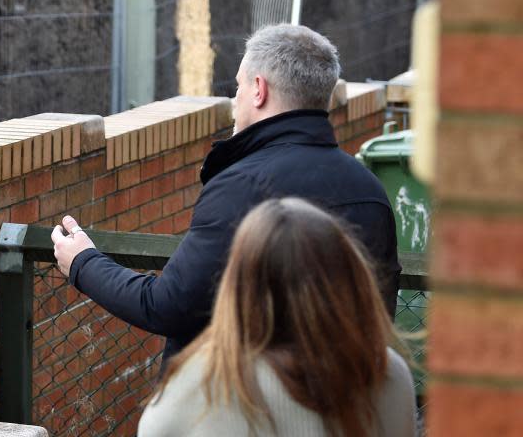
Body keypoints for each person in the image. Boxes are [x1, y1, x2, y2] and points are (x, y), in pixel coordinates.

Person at [51, 24, 399, 364]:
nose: (236, 100)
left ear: (259, 90)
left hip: (244, 413)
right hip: (349, 409)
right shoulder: (369, 190)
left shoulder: (242, 187)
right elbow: (379, 316)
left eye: (238, 87)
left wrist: (83, 262)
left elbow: (167, 307)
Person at [137, 198, 416, 437]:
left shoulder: (197, 387)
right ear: (350, 279)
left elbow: (152, 427)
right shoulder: (385, 374)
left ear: (237, 288)